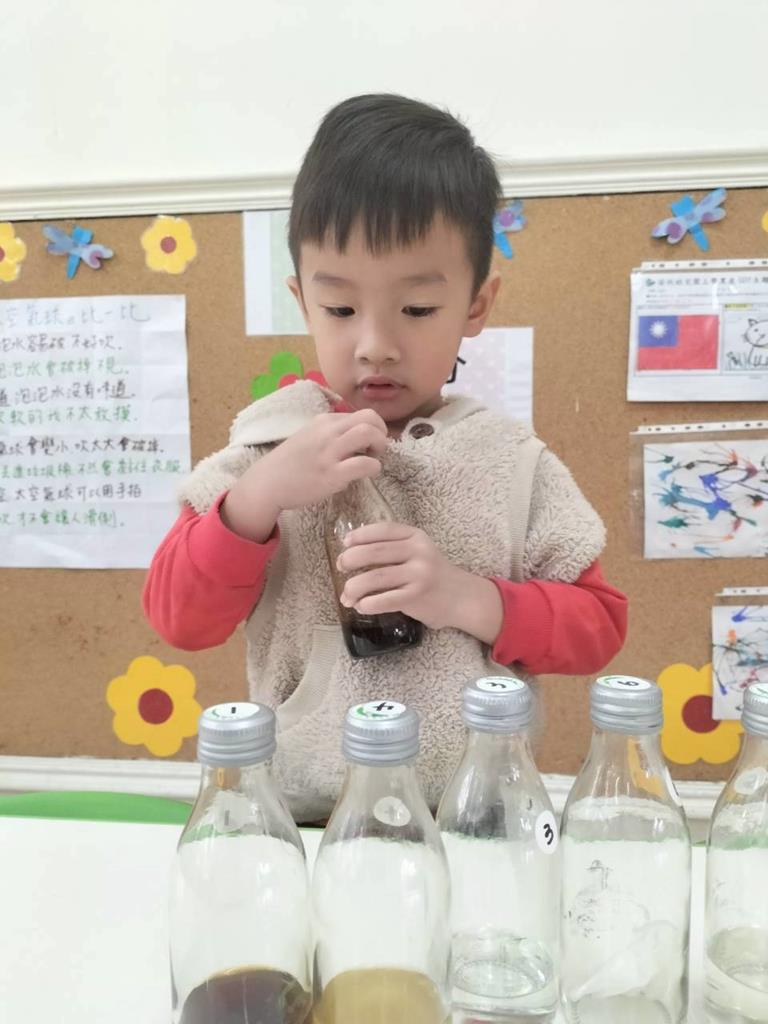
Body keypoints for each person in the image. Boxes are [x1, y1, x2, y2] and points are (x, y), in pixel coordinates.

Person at [144, 94, 628, 822]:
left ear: (476, 304)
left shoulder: (511, 463)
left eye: (418, 309)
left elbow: (599, 627)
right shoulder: (264, 450)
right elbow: (180, 621)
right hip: (304, 814)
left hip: (475, 813)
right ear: (302, 300)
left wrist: (466, 597)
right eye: (340, 310)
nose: (375, 345)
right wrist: (257, 500)